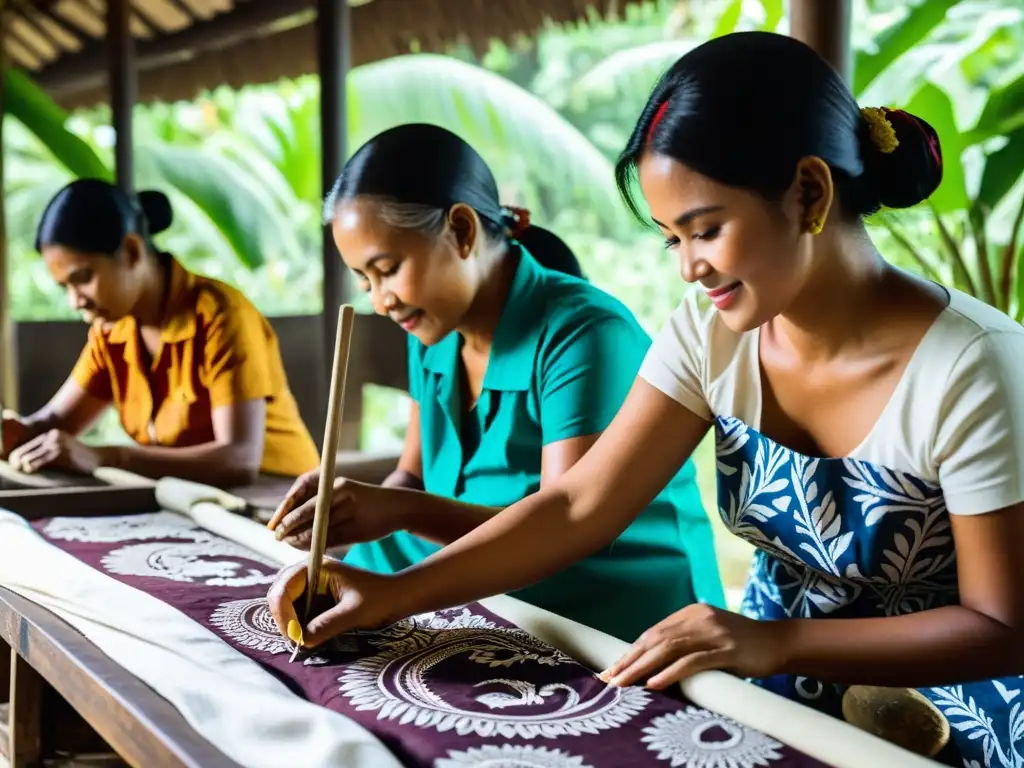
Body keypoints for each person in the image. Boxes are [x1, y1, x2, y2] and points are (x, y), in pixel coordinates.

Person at [268, 34, 1024, 766]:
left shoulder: (973, 367)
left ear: (809, 192)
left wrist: (777, 640)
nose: (690, 268)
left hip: (952, 714)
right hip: (771, 690)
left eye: (705, 230)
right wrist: (391, 597)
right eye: (671, 239)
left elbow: (1002, 625)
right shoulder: (709, 334)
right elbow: (577, 506)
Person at [265, 123, 723, 643]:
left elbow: (561, 529)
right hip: (477, 582)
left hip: (604, 606)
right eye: (364, 280)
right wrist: (355, 514)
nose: (380, 300)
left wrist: (399, 513)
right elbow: (411, 478)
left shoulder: (585, 333)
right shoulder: (431, 334)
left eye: (388, 269)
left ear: (461, 231)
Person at [1, 179, 320, 487]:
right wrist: (15, 432)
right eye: (65, 287)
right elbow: (53, 423)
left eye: (83, 278)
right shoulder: (113, 331)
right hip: (194, 503)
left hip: (282, 499)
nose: (75, 300)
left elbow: (238, 460)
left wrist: (106, 456)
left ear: (131, 250)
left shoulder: (221, 316)